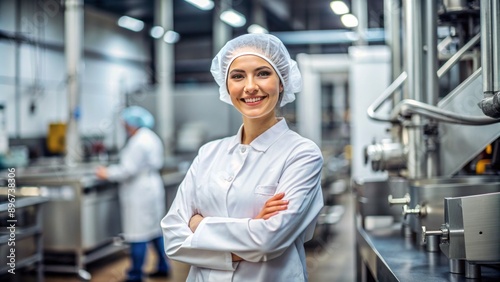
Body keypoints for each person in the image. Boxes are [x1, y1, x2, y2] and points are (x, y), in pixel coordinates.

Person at [161, 33, 324, 281]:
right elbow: (173, 240)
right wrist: (253, 227)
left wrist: (198, 227)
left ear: (282, 82)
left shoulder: (302, 154)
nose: (250, 86)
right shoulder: (209, 153)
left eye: (262, 73)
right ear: (226, 86)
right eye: (237, 76)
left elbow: (268, 241)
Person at [95, 106, 170, 282]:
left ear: (131, 123)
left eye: (125, 123)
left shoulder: (138, 142)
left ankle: (135, 274)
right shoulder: (150, 137)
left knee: (138, 233)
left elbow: (127, 170)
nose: (124, 127)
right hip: (151, 186)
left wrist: (106, 173)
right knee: (153, 230)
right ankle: (163, 266)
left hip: (139, 191)